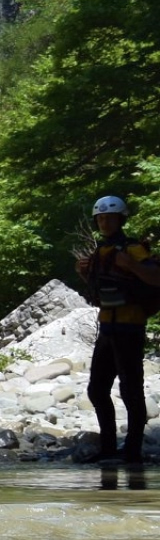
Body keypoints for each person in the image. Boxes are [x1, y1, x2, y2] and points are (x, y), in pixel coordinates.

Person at [75, 195, 160, 463]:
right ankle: (109, 448)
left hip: (130, 326)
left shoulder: (132, 249)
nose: (104, 222)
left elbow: (156, 277)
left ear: (120, 219)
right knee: (97, 390)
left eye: (110, 218)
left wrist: (132, 265)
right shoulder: (101, 251)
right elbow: (100, 287)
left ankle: (132, 451)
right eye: (100, 218)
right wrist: (83, 272)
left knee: (130, 389)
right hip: (107, 327)